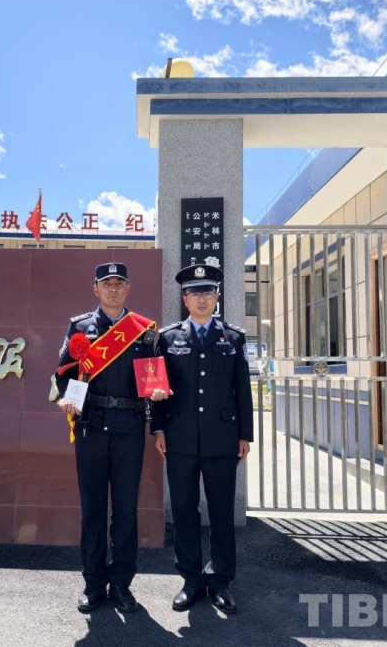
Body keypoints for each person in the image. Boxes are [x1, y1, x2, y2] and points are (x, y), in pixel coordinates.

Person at [54, 262, 167, 614]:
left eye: (119, 283)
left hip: (129, 428)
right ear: (96, 290)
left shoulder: (143, 332)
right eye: (107, 284)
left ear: (128, 288)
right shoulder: (80, 327)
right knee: (92, 509)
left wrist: (157, 392)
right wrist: (66, 397)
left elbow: (153, 378)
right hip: (90, 426)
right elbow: (63, 373)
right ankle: (93, 582)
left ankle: (121, 583)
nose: (113, 289)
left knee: (126, 511)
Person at [151, 264, 253, 614]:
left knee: (222, 511)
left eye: (207, 292)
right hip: (179, 439)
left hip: (222, 439)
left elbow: (243, 390)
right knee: (184, 510)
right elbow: (158, 389)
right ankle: (191, 580)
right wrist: (158, 429)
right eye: (194, 293)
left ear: (217, 297)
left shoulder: (233, 338)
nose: (201, 298)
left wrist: (245, 434)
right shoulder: (167, 338)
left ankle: (220, 580)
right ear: (185, 299)